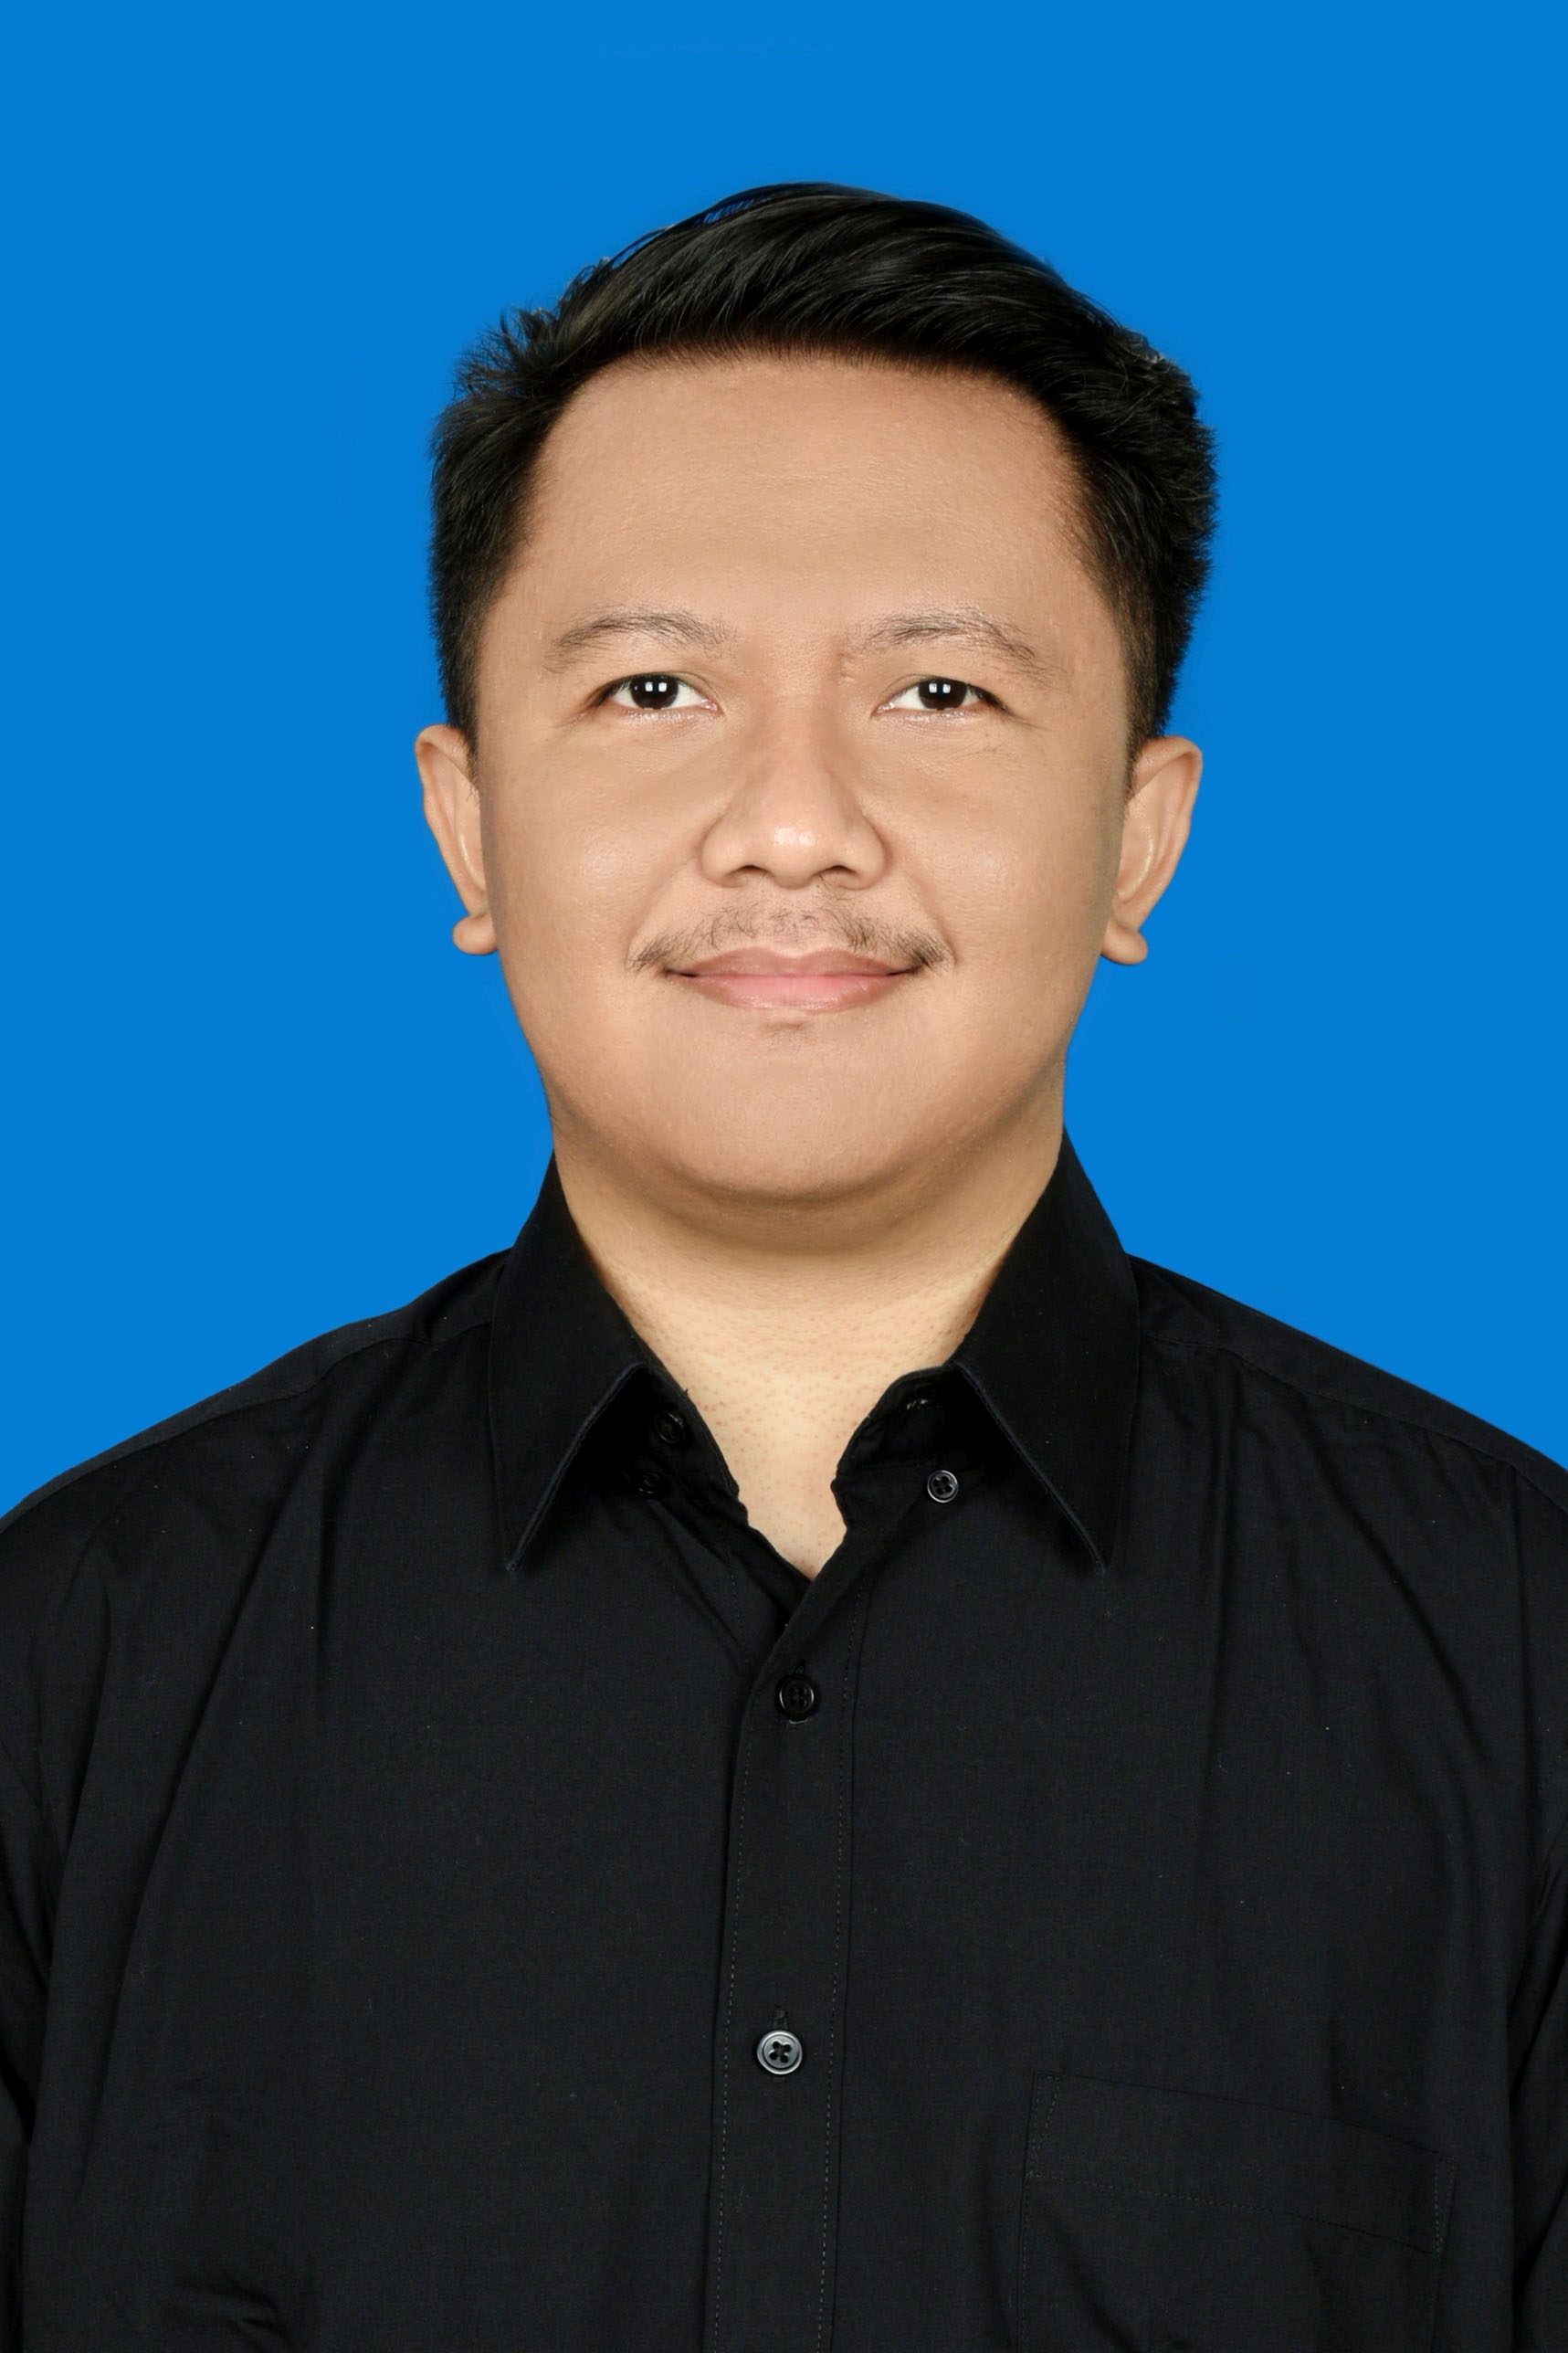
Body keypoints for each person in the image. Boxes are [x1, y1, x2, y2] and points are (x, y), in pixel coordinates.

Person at [0, 183, 1561, 2353]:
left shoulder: (1514, 1658)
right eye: (655, 688)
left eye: (938, 688)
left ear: (1139, 833)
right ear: (468, 820)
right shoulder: (74, 1665)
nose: (794, 823)